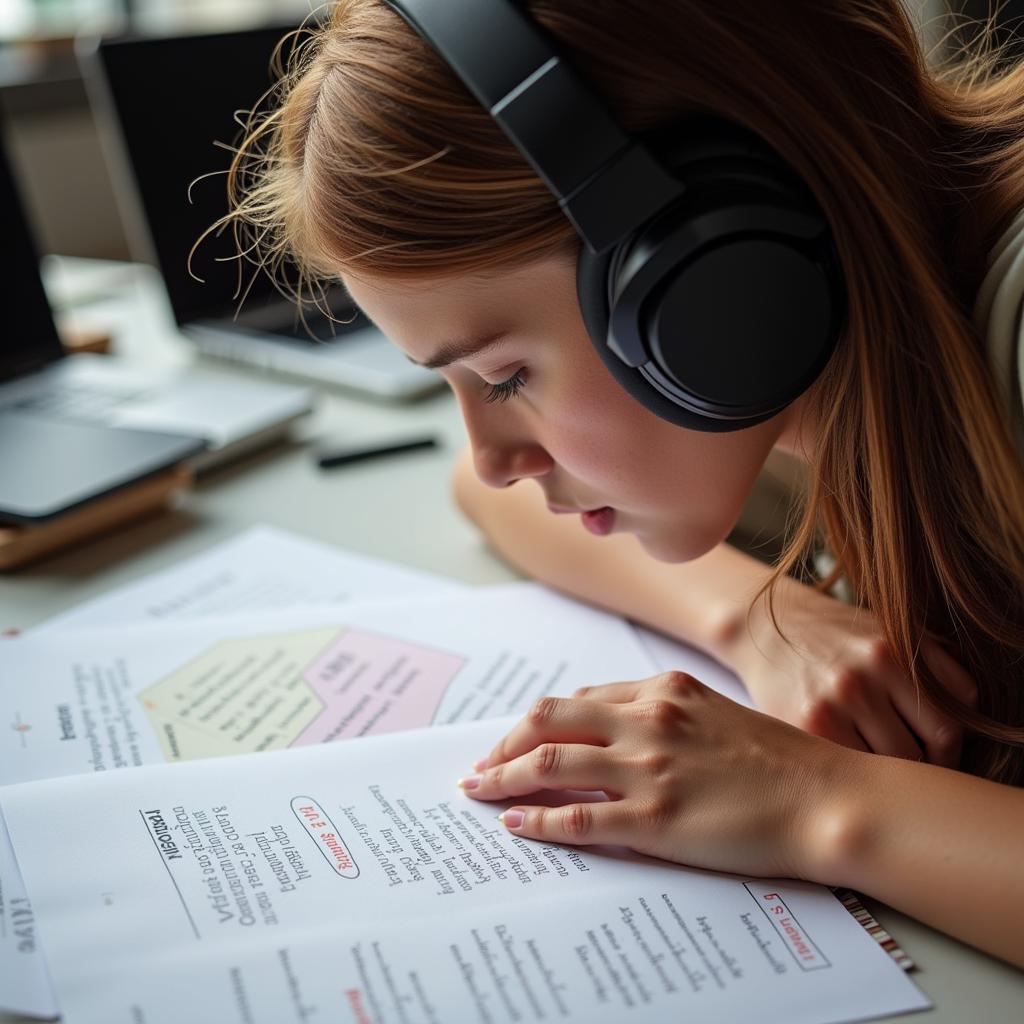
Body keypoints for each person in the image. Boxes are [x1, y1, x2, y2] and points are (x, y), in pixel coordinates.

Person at [224, 0, 1024, 966]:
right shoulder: (810, 370)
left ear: (706, 281)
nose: (494, 452)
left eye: (506, 378)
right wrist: (766, 623)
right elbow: (486, 494)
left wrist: (819, 802)